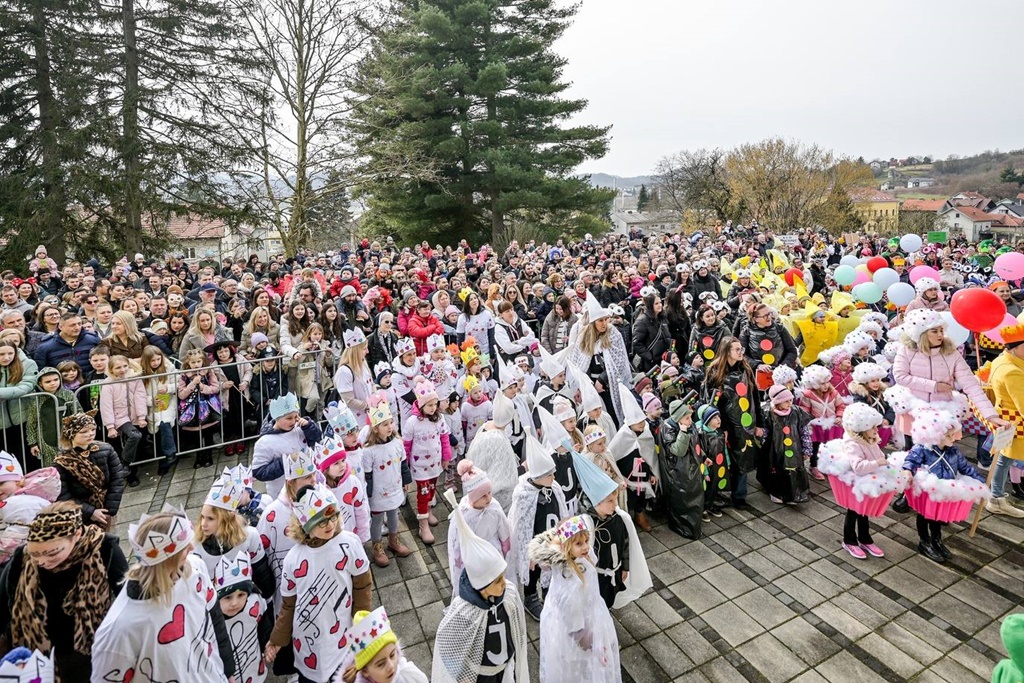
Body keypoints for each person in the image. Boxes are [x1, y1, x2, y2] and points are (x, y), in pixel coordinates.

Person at [90, 508, 237, 682]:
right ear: (166, 559)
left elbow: (215, 620)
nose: (192, 547)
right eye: (184, 546)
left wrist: (228, 671)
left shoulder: (196, 569)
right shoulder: (120, 629)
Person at [0, 502, 127, 680]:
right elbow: (3, 602)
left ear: (76, 535)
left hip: (91, 653)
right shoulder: (22, 556)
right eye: (36, 554)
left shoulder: (105, 548)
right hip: (37, 657)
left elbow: (126, 596)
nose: (42, 561)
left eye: (52, 553)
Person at [263, 484, 373, 683]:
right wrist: (278, 639)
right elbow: (289, 605)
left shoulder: (349, 544)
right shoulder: (293, 559)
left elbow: (363, 590)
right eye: (321, 521)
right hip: (308, 645)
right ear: (305, 525)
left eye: (332, 517)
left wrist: (362, 641)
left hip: (343, 639)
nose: (330, 525)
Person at [432, 489, 527, 683]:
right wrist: (461, 675)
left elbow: (516, 629)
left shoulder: (508, 596)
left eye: (502, 577)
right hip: (480, 675)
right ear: (481, 587)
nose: (504, 583)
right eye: (497, 581)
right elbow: (448, 646)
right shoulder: (464, 612)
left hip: (504, 669)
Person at [527, 516, 621, 683]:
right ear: (565, 546)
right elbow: (570, 614)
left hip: (588, 612)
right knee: (576, 662)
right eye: (579, 544)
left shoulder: (579, 557)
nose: (586, 547)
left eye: (586, 541)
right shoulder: (568, 575)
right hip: (577, 626)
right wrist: (589, 640)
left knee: (583, 663)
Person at [902, 408, 986, 564]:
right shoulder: (922, 449)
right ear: (936, 436)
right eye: (949, 436)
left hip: (943, 491)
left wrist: (980, 481)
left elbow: (965, 468)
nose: (953, 438)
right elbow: (910, 461)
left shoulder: (953, 451)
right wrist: (907, 471)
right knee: (924, 515)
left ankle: (936, 540)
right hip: (927, 491)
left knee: (937, 517)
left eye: (953, 434)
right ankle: (924, 542)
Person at [507, 435, 567, 621]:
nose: (554, 477)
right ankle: (531, 596)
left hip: (552, 539)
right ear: (537, 476)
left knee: (552, 568)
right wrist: (529, 553)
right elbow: (522, 526)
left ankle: (550, 594)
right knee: (533, 571)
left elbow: (561, 510)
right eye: (550, 474)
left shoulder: (553, 486)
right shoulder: (524, 495)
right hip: (535, 541)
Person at [194, 474, 276, 599]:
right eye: (202, 517)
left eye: (210, 519)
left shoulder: (249, 535)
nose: (203, 524)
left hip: (247, 600)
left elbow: (262, 573)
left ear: (227, 518)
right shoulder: (195, 545)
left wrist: (266, 603)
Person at [704, 337, 761, 509]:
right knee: (724, 459)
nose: (740, 353)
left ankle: (739, 496)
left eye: (741, 349)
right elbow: (712, 403)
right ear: (726, 351)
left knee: (742, 458)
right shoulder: (715, 371)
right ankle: (719, 494)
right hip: (724, 424)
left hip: (745, 423)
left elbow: (755, 397)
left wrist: (759, 422)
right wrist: (721, 426)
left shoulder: (745, 368)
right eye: (736, 349)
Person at [445, 461, 510, 601]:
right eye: (483, 496)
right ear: (473, 498)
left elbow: (503, 529)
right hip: (473, 558)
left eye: (489, 493)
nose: (489, 498)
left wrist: (506, 547)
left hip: (493, 552)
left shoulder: (494, 507)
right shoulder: (464, 516)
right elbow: (457, 543)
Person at [565, 295, 632, 427]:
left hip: (608, 384)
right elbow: (579, 363)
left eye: (606, 320)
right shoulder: (584, 337)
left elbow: (618, 362)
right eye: (600, 320)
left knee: (613, 415)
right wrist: (580, 385)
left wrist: (602, 380)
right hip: (590, 384)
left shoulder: (614, 334)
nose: (604, 323)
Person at [834, 403, 889, 560]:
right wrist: (877, 463)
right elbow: (858, 467)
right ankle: (849, 540)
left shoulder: (869, 439)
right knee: (853, 511)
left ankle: (865, 539)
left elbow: (878, 454)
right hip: (856, 483)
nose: (876, 430)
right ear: (861, 427)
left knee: (864, 511)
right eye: (873, 427)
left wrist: (882, 461)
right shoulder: (853, 444)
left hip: (867, 482)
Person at [54, 413, 124, 530]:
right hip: (81, 516)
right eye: (83, 432)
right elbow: (63, 495)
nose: (90, 434)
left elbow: (117, 479)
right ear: (71, 434)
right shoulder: (61, 462)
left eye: (92, 429)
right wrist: (90, 512)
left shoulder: (106, 449)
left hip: (106, 509)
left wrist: (109, 510)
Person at [403, 377, 452, 544]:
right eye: (429, 405)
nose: (433, 408)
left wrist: (446, 457)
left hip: (435, 462)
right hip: (420, 466)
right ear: (421, 404)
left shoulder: (439, 419)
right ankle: (423, 524)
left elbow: (444, 438)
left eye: (435, 404)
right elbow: (407, 445)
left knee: (432, 489)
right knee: (423, 493)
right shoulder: (412, 422)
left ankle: (428, 511)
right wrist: (406, 466)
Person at [982, 323, 1024, 519]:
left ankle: (996, 496)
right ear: (1015, 347)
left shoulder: (1003, 360)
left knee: (1003, 459)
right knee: (1003, 459)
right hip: (1014, 423)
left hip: (1006, 420)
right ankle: (996, 498)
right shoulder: (1012, 371)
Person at [251, 393, 322, 500]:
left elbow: (316, 439)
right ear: (277, 418)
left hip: (308, 482)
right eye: (289, 418)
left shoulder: (299, 428)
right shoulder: (265, 442)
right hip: (283, 490)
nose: (293, 421)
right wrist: (283, 463)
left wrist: (309, 427)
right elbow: (258, 471)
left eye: (296, 417)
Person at [214, 555, 273, 683]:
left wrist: (267, 642)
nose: (235, 603)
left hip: (254, 670)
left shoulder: (254, 603)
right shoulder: (214, 620)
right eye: (228, 597)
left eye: (241, 595)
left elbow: (264, 626)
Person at [341, 607, 429, 683]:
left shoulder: (407, 673)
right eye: (381, 664)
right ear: (365, 671)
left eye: (392, 655)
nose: (391, 666)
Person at [758, 385, 811, 505]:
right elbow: (766, 431)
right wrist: (761, 435)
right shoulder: (768, 413)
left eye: (790, 400)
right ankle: (776, 492)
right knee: (776, 471)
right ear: (777, 402)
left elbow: (804, 432)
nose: (789, 403)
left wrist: (807, 449)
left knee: (792, 471)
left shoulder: (797, 412)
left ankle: (792, 494)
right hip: (775, 450)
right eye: (786, 401)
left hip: (794, 449)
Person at [26, 366, 81, 470]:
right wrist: (32, 443)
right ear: (40, 384)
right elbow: (31, 423)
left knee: (72, 466)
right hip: (46, 441)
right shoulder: (36, 400)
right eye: (48, 381)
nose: (53, 383)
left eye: (56, 380)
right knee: (52, 468)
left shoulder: (68, 394)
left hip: (69, 438)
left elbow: (79, 412)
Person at [630, 292, 671, 373]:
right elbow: (637, 343)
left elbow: (667, 336)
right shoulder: (642, 321)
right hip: (650, 364)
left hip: (665, 359)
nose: (660, 305)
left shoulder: (662, 318)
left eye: (660, 302)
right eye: (656, 303)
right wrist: (650, 357)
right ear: (650, 305)